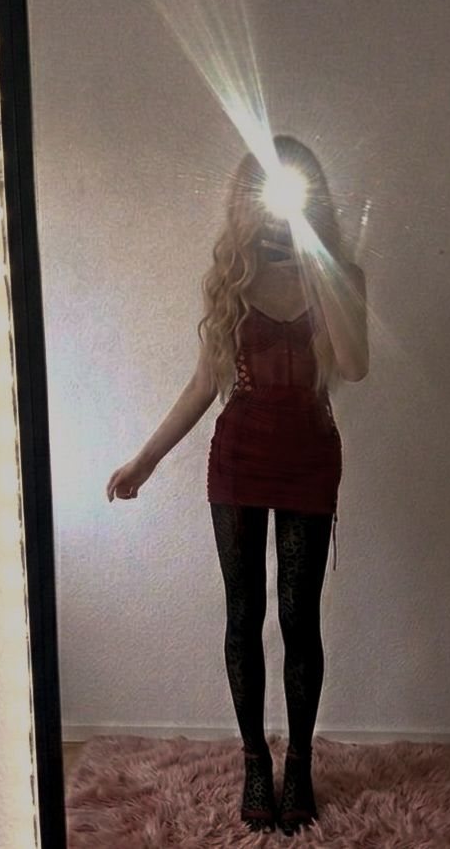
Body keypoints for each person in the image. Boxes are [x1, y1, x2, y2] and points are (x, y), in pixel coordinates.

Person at [105, 135, 368, 835]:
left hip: (310, 456)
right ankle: (256, 760)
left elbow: (354, 364)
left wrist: (319, 267)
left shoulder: (341, 272)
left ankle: (299, 763)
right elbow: (203, 384)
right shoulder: (230, 277)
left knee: (299, 617)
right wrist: (146, 460)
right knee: (243, 614)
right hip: (239, 458)